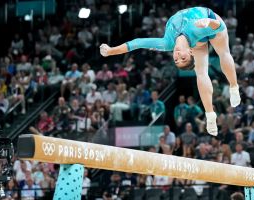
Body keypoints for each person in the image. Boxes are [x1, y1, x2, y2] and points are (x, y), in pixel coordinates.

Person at [100, 6, 241, 136]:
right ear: (191, 52)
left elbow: (137, 43)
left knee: (218, 58)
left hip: (206, 24)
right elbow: (220, 26)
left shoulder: (167, 43)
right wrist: (209, 22)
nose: (178, 56)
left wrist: (112, 51)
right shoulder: (196, 29)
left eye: (176, 60)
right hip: (206, 23)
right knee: (206, 68)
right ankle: (213, 111)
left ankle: (230, 91)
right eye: (183, 58)